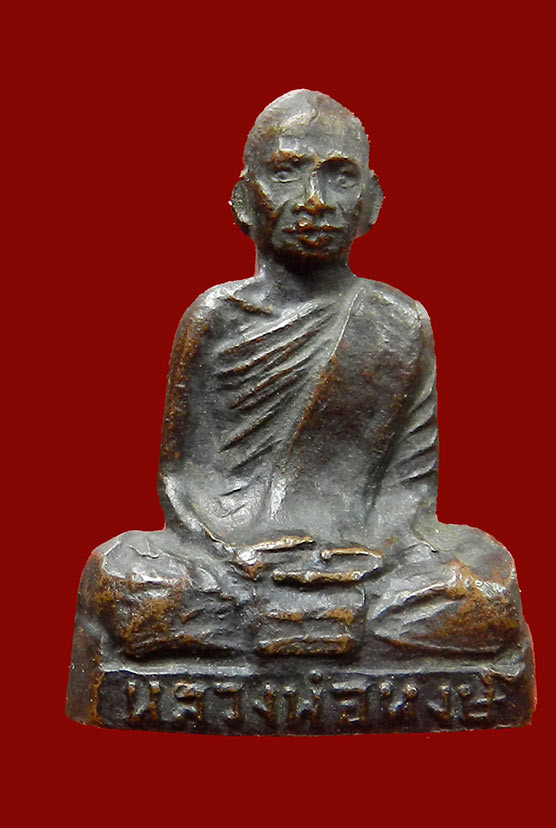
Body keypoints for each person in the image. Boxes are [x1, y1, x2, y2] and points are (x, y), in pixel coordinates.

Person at [72, 90, 526, 660]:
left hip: (365, 562)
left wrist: (372, 555)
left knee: (480, 591)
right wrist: (234, 552)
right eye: (286, 174)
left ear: (371, 201)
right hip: (233, 563)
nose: (314, 201)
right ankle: (324, 627)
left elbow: (410, 490)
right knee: (127, 576)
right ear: (244, 200)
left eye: (340, 177)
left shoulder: (398, 321)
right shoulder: (216, 317)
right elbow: (182, 482)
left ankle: (280, 629)